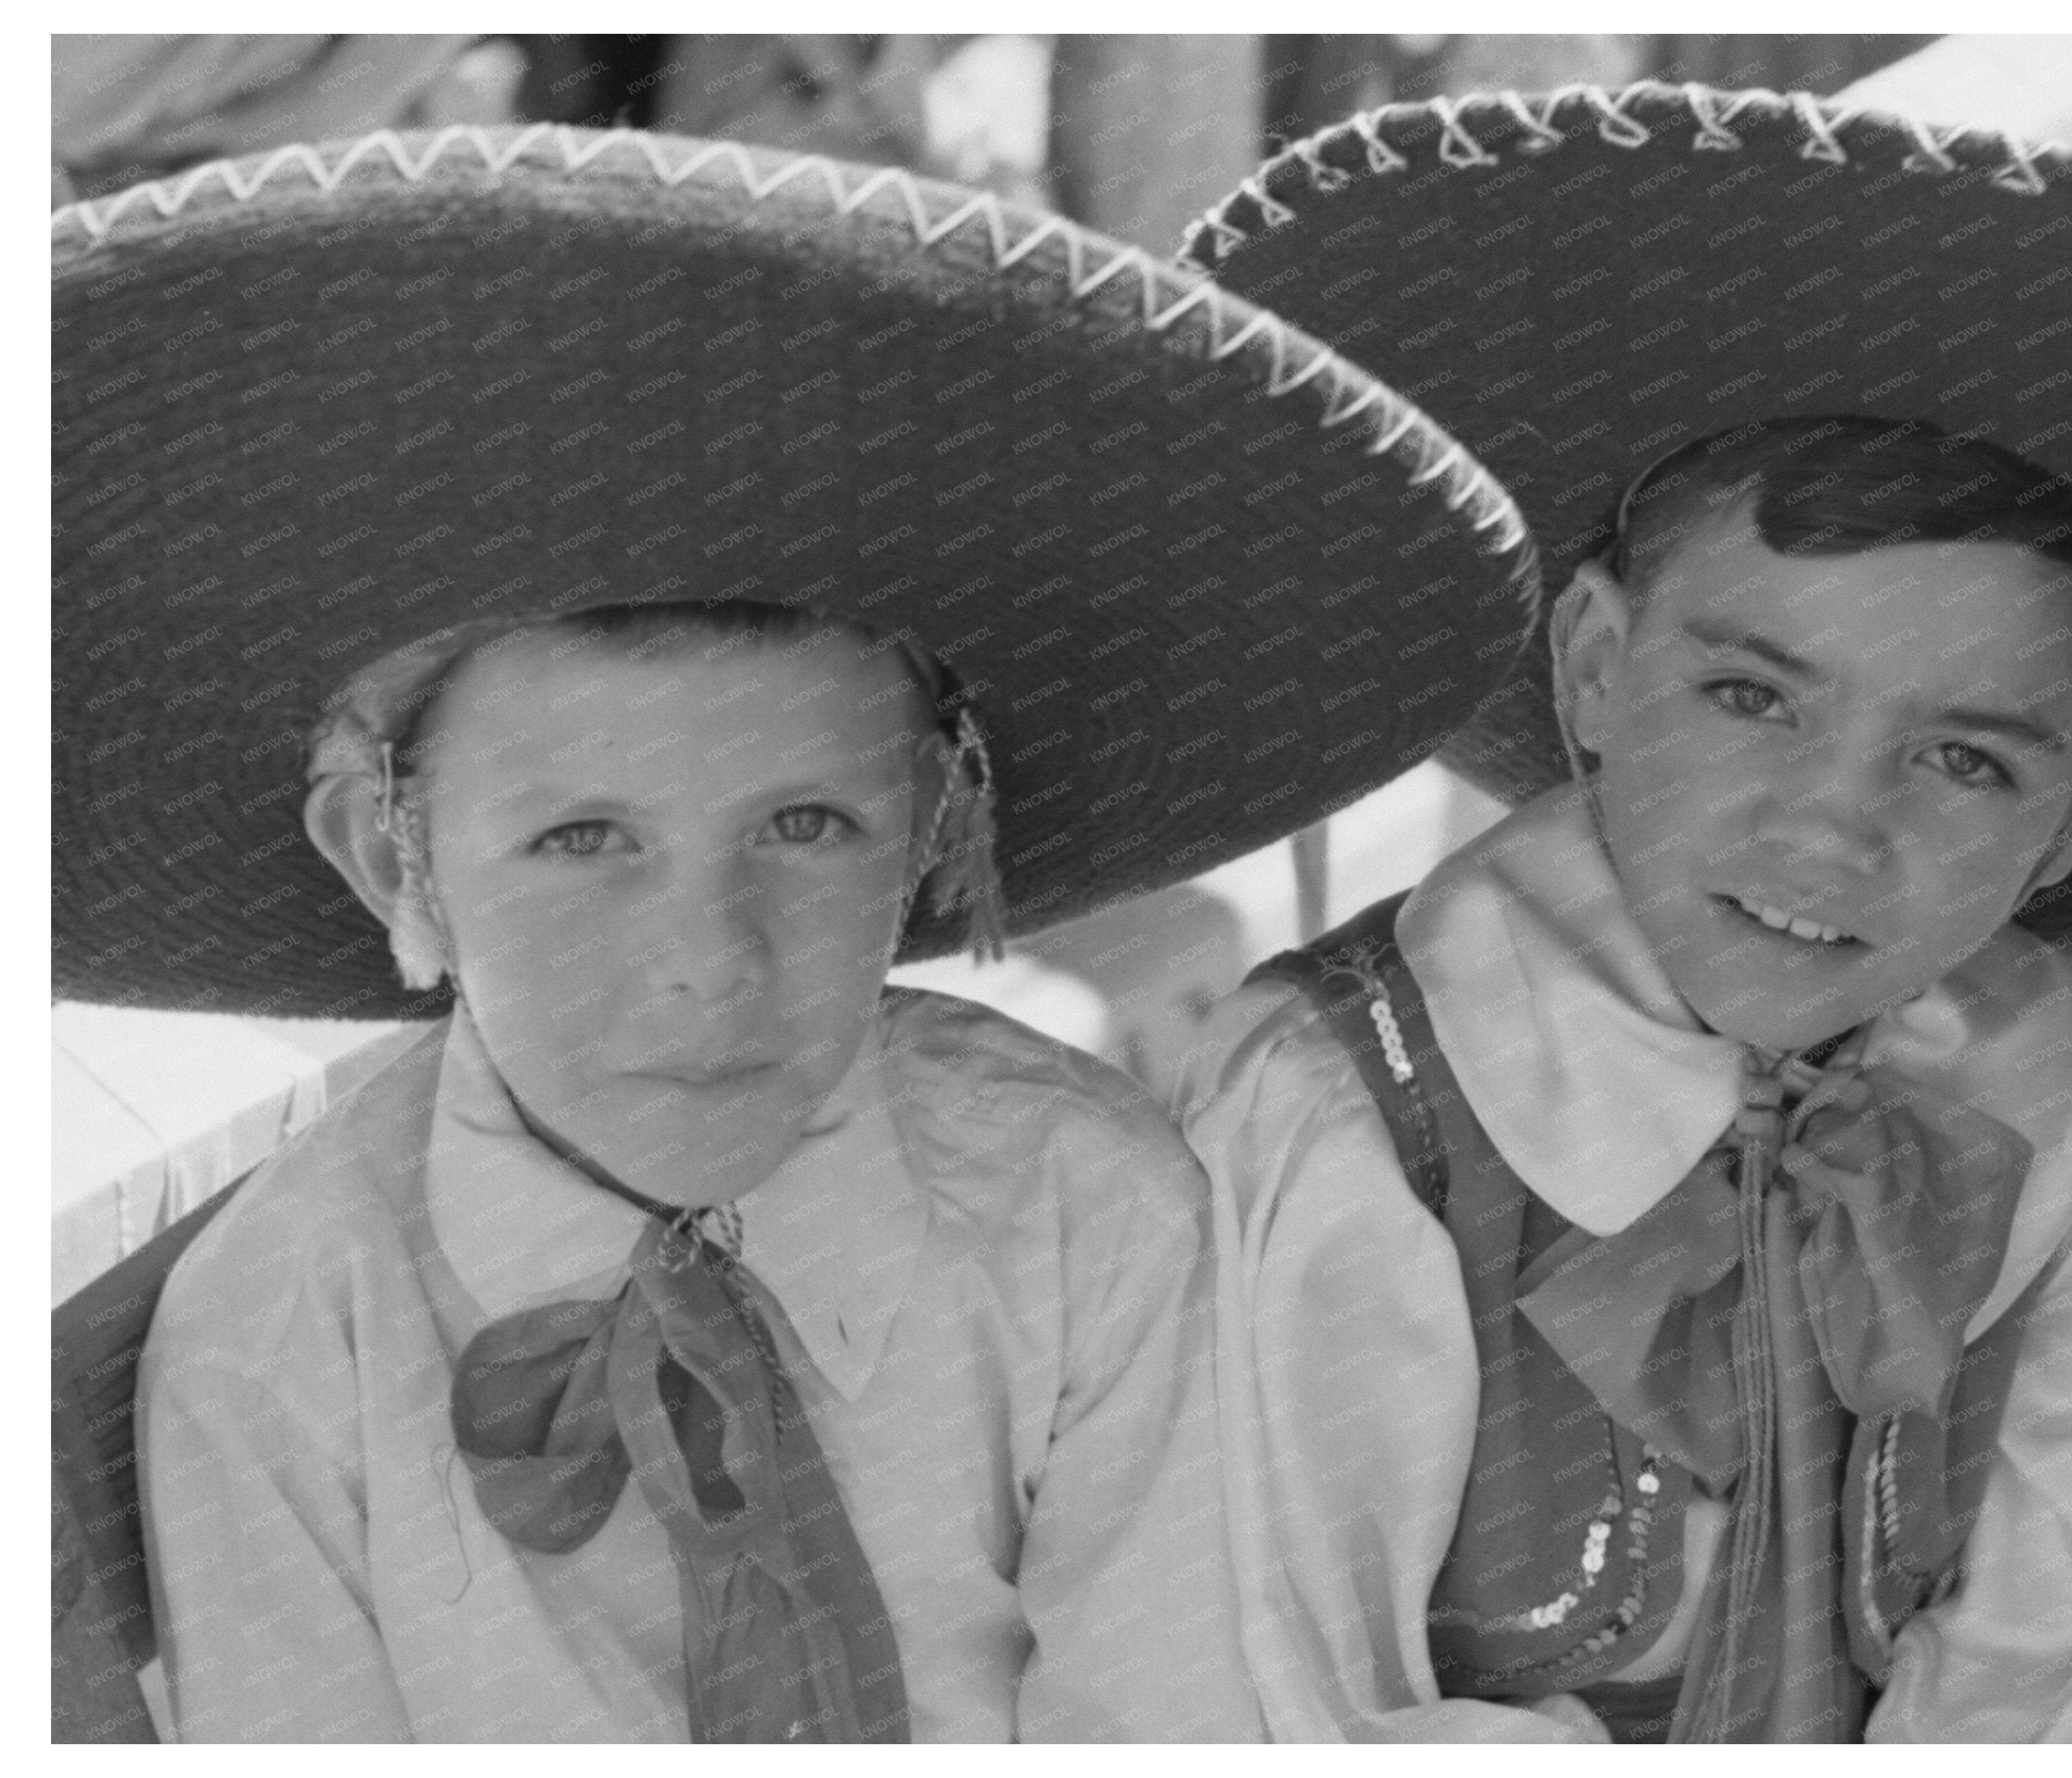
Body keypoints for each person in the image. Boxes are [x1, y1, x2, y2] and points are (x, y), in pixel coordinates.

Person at [52, 125, 1537, 1741]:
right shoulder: (276, 1337)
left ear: (932, 826)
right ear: (389, 858)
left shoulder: (1075, 1199)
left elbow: (1165, 1715)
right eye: (581, 840)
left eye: (805, 827)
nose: (708, 959)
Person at [1176, 84, 2072, 1741]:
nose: (1833, 827)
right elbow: (1234, 1671)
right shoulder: (1339, 1113)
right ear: (1589, 665)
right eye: (1748, 696)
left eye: (1962, 759)